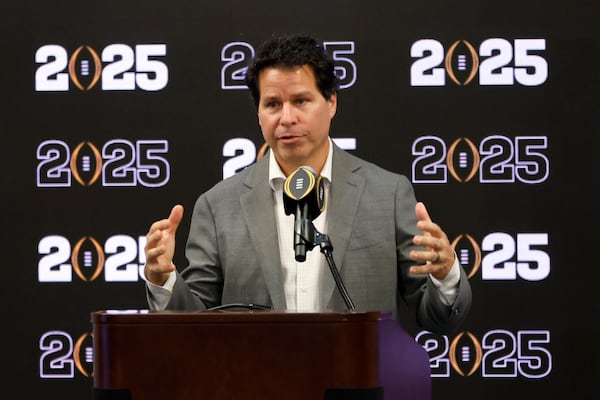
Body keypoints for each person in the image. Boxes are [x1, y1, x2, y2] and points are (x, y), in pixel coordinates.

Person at [143, 33, 471, 335]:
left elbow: (435, 315)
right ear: (258, 113)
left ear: (331, 103)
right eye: (272, 104)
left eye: (301, 100)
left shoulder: (387, 194)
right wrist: (163, 280)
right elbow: (194, 324)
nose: (286, 118)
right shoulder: (218, 206)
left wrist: (445, 275)